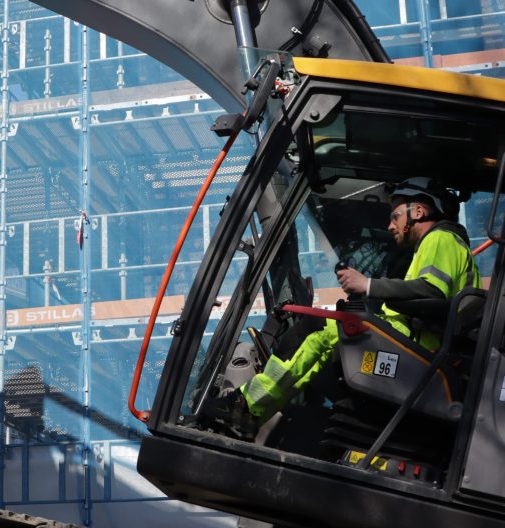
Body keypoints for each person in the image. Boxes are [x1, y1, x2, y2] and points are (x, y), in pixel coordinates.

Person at [206, 177, 481, 435]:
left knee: (314, 330)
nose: (390, 226)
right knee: (332, 333)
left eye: (395, 216)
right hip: (422, 348)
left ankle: (246, 407)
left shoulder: (440, 238)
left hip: (421, 352)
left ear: (418, 212)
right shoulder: (445, 244)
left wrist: (368, 285)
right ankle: (259, 408)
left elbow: (431, 290)